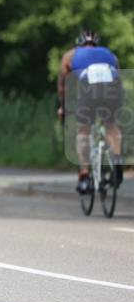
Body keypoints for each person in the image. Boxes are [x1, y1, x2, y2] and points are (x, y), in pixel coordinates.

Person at [58, 29, 124, 193]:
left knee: (83, 130)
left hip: (89, 91)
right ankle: (116, 160)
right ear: (96, 44)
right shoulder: (110, 55)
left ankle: (85, 176)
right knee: (111, 126)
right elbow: (118, 77)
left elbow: (63, 86)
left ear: (80, 44)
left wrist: (63, 107)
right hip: (112, 91)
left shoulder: (70, 55)